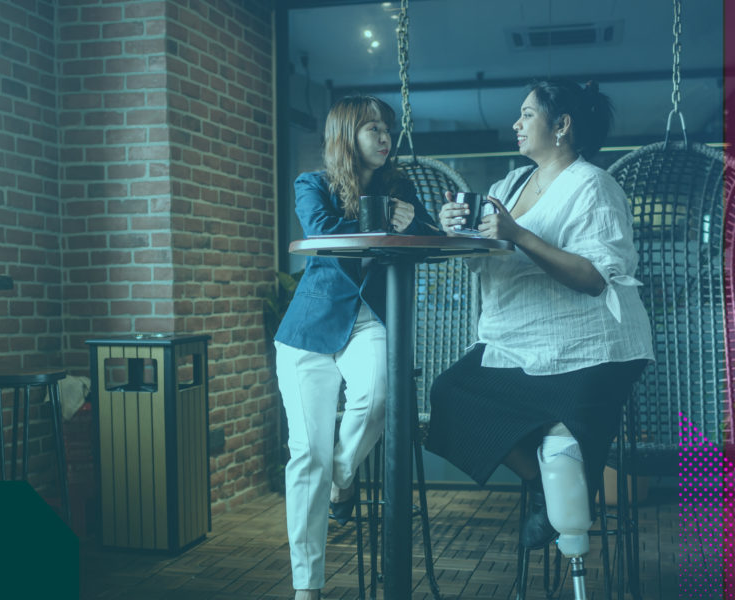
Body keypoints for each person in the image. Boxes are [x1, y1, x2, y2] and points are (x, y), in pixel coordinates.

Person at [426, 80, 654, 549]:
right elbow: (486, 257)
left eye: (527, 114)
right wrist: (457, 232)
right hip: (514, 342)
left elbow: (594, 279)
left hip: (591, 349)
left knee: (565, 427)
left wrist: (520, 235)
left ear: (562, 126)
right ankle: (542, 486)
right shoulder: (508, 184)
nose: (516, 123)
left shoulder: (594, 185)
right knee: (448, 393)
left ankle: (560, 491)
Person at [274, 95, 439, 600]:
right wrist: (383, 221)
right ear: (348, 134)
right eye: (373, 128)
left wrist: (412, 221)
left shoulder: (400, 187)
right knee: (306, 454)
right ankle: (308, 587)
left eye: (387, 129)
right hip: (311, 326)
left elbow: (429, 237)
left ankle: (342, 476)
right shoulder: (314, 184)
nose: (385, 137)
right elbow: (322, 233)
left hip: (370, 317)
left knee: (380, 397)